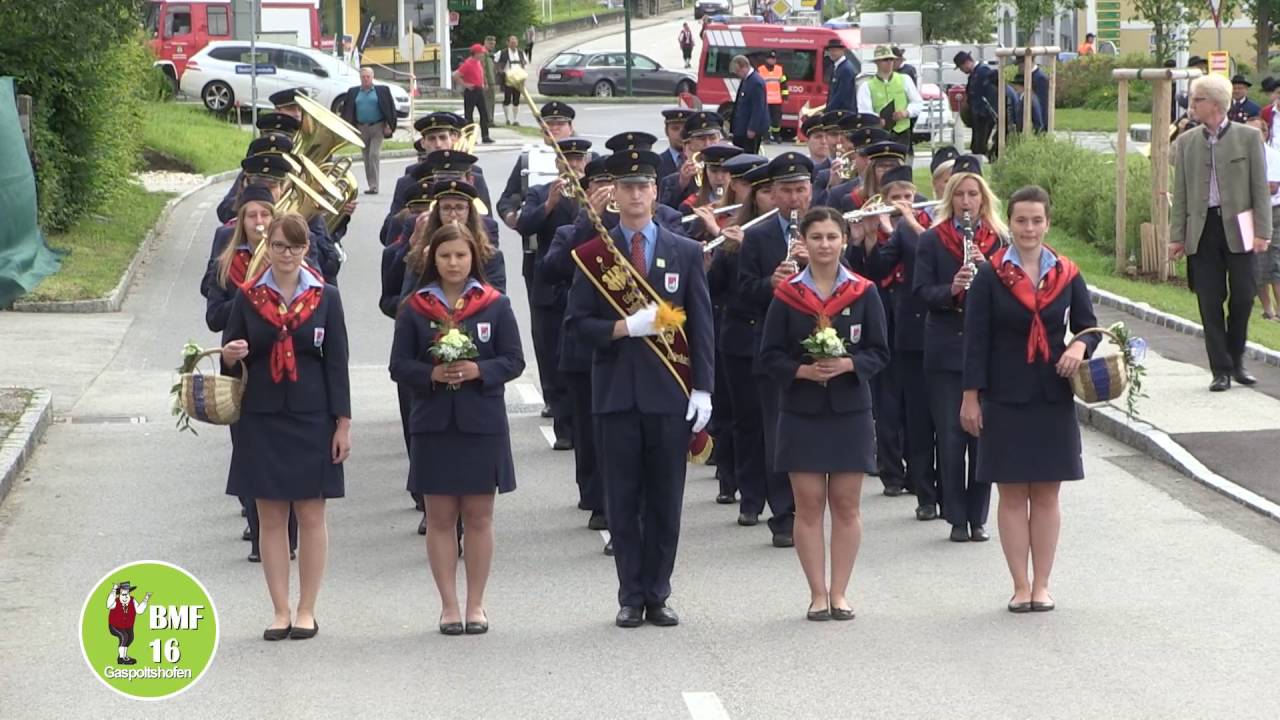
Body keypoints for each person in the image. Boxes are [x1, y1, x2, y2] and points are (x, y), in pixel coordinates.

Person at [564, 148, 714, 628]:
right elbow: (576, 325)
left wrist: (704, 389)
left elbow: (703, 326)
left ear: (655, 192)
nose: (634, 194)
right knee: (623, 502)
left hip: (670, 394)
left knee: (666, 501)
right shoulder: (594, 256)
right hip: (615, 395)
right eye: (626, 187)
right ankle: (630, 595)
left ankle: (659, 592)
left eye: (642, 186)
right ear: (614, 196)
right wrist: (623, 328)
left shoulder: (685, 251)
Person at [961, 185, 1102, 613]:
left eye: (1036, 220)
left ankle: (1042, 584)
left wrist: (1078, 348)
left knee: (1046, 494)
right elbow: (976, 341)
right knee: (1012, 495)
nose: (1028, 228)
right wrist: (971, 398)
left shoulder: (1067, 272)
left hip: (1051, 393)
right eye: (1021, 220)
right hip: (1003, 394)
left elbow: (1089, 327)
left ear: (1047, 223)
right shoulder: (990, 274)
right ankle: (1019, 586)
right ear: (1011, 223)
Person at [220, 212, 351, 641]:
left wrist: (342, 425)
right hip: (261, 416)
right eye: (279, 245)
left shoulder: (326, 297)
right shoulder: (247, 296)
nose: (287, 254)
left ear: (305, 249)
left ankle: (307, 609)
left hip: (313, 417)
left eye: (294, 246)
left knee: (311, 513)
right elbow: (229, 359)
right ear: (267, 247)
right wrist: (232, 352)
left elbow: (337, 365)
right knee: (270, 515)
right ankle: (279, 610)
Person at [389, 222, 524, 635]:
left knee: (480, 516)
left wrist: (477, 369)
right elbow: (399, 366)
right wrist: (432, 374)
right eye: (445, 255)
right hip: (433, 424)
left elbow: (514, 360)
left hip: (481, 423)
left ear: (474, 258)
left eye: (461, 255)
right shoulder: (415, 307)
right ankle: (449, 605)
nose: (453, 263)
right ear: (433, 258)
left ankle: (476, 605)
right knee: (441, 516)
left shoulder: (494, 305)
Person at [760, 207, 889, 621]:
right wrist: (801, 370)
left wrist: (850, 365)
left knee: (847, 505)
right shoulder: (787, 294)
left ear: (844, 240)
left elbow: (880, 351)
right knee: (809, 504)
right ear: (805, 242)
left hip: (850, 410)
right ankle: (817, 593)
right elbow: (770, 355)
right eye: (816, 237)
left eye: (832, 237)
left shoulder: (864, 291)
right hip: (802, 410)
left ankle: (840, 592)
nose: (825, 245)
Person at [202, 183, 300, 562]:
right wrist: (249, 299)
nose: (259, 223)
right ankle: (261, 537)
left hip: (288, 370)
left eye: (265, 215)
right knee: (251, 454)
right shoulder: (228, 264)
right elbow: (214, 317)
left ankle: (287, 538)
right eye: (251, 216)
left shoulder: (291, 261)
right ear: (240, 221)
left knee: (288, 456)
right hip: (243, 371)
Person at [913, 155, 1005, 543]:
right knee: (950, 436)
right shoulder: (933, 240)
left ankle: (979, 517)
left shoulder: (999, 241)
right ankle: (955, 516)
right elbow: (920, 294)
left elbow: (1014, 296)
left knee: (981, 437)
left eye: (974, 194)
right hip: (946, 350)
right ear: (950, 198)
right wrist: (952, 289)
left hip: (986, 352)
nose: (967, 202)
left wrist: (988, 273)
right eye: (961, 195)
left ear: (983, 200)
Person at [1169, 73, 1273, 391]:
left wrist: (1262, 231)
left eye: (1196, 100)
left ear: (1213, 104)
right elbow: (1181, 192)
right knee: (1209, 299)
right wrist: (1176, 237)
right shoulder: (1186, 141)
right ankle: (1221, 369)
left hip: (1240, 228)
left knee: (1243, 296)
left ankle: (1236, 358)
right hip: (1203, 229)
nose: (1191, 105)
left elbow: (1259, 187)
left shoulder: (1248, 138)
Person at [736, 152, 814, 547]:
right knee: (777, 433)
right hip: (773, 348)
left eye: (801, 189)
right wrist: (771, 283)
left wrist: (816, 263)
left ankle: (812, 513)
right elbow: (741, 294)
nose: (795, 198)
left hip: (818, 347)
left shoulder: (825, 229)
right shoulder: (758, 235)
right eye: (786, 190)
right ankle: (784, 515)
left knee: (815, 434)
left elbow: (852, 281)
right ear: (774, 194)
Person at [863, 165, 942, 519]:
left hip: (936, 326)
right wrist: (867, 234)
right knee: (899, 405)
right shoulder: (899, 232)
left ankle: (941, 489)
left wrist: (903, 222)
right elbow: (878, 267)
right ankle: (905, 478)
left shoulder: (927, 225)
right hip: (901, 325)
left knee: (938, 416)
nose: (904, 203)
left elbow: (931, 243)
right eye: (896, 198)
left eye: (909, 197)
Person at [518, 137, 595, 450]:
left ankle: (583, 423)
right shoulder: (540, 191)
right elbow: (525, 225)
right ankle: (563, 427)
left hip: (586, 285)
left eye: (578, 159)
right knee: (554, 356)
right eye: (567, 160)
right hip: (552, 286)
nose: (573, 164)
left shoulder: (596, 193)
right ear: (557, 164)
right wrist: (548, 204)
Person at [339, 67, 396, 195]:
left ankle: (375, 186)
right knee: (366, 157)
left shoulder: (381, 91)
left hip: (378, 126)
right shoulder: (353, 92)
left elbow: (390, 109)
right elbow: (347, 110)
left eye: (368, 77)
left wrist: (389, 126)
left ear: (372, 77)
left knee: (373, 154)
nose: (365, 79)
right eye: (363, 77)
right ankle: (371, 185)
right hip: (361, 128)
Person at [1245, 113, 1280, 319]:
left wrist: (1243, 189)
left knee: (1275, 261)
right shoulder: (1239, 154)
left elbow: (1272, 187)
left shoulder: (1272, 155)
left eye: (1254, 131)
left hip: (1272, 212)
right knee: (1255, 262)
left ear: (1265, 134)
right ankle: (1268, 309)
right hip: (1248, 212)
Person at [856, 45, 923, 150]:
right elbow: (864, 111)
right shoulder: (867, 86)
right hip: (879, 134)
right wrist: (877, 120)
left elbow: (918, 103)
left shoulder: (904, 79)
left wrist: (906, 112)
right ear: (877, 62)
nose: (889, 62)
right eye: (885, 60)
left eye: (891, 59)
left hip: (902, 133)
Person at [954, 52, 997, 158]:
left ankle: (986, 161)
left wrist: (983, 112)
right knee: (976, 146)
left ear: (967, 63)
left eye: (961, 67)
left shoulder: (983, 72)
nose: (962, 70)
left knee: (980, 146)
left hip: (984, 115)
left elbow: (991, 94)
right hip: (977, 116)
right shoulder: (974, 75)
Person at [453, 44, 494, 145]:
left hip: (479, 89)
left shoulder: (478, 62)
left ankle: (485, 136)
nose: (482, 55)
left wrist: (484, 83)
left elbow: (481, 73)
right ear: (476, 53)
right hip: (471, 90)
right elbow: (456, 75)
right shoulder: (468, 63)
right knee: (469, 114)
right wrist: (465, 85)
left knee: (484, 113)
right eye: (481, 53)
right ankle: (470, 137)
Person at [730, 55, 769, 154]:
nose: (738, 74)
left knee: (749, 156)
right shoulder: (746, 80)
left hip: (749, 130)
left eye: (738, 71)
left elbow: (758, 108)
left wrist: (752, 128)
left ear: (744, 67)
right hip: (741, 128)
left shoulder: (756, 82)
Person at [495, 36, 528, 126]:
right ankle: (507, 119)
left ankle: (515, 119)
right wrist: (500, 71)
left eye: (515, 42)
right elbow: (495, 62)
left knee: (516, 99)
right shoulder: (502, 52)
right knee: (507, 98)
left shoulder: (521, 52)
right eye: (512, 42)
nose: (513, 44)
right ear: (508, 43)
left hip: (518, 78)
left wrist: (523, 77)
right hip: (508, 78)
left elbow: (524, 64)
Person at [757, 52, 789, 143]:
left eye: (774, 58)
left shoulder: (779, 69)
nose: (773, 60)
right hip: (765, 100)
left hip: (776, 100)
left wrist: (785, 96)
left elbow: (784, 84)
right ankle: (766, 137)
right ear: (767, 59)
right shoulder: (760, 70)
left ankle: (776, 136)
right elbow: (757, 85)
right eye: (771, 58)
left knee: (776, 121)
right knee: (766, 120)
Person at [657, 108, 693, 180]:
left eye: (686, 129)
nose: (681, 134)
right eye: (675, 129)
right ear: (666, 131)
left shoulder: (701, 160)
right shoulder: (657, 163)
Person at [824, 39, 857, 113]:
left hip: (844, 113)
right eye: (830, 51)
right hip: (838, 112)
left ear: (842, 51)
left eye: (835, 50)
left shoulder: (846, 69)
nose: (832, 53)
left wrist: (827, 111)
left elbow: (841, 95)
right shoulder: (836, 67)